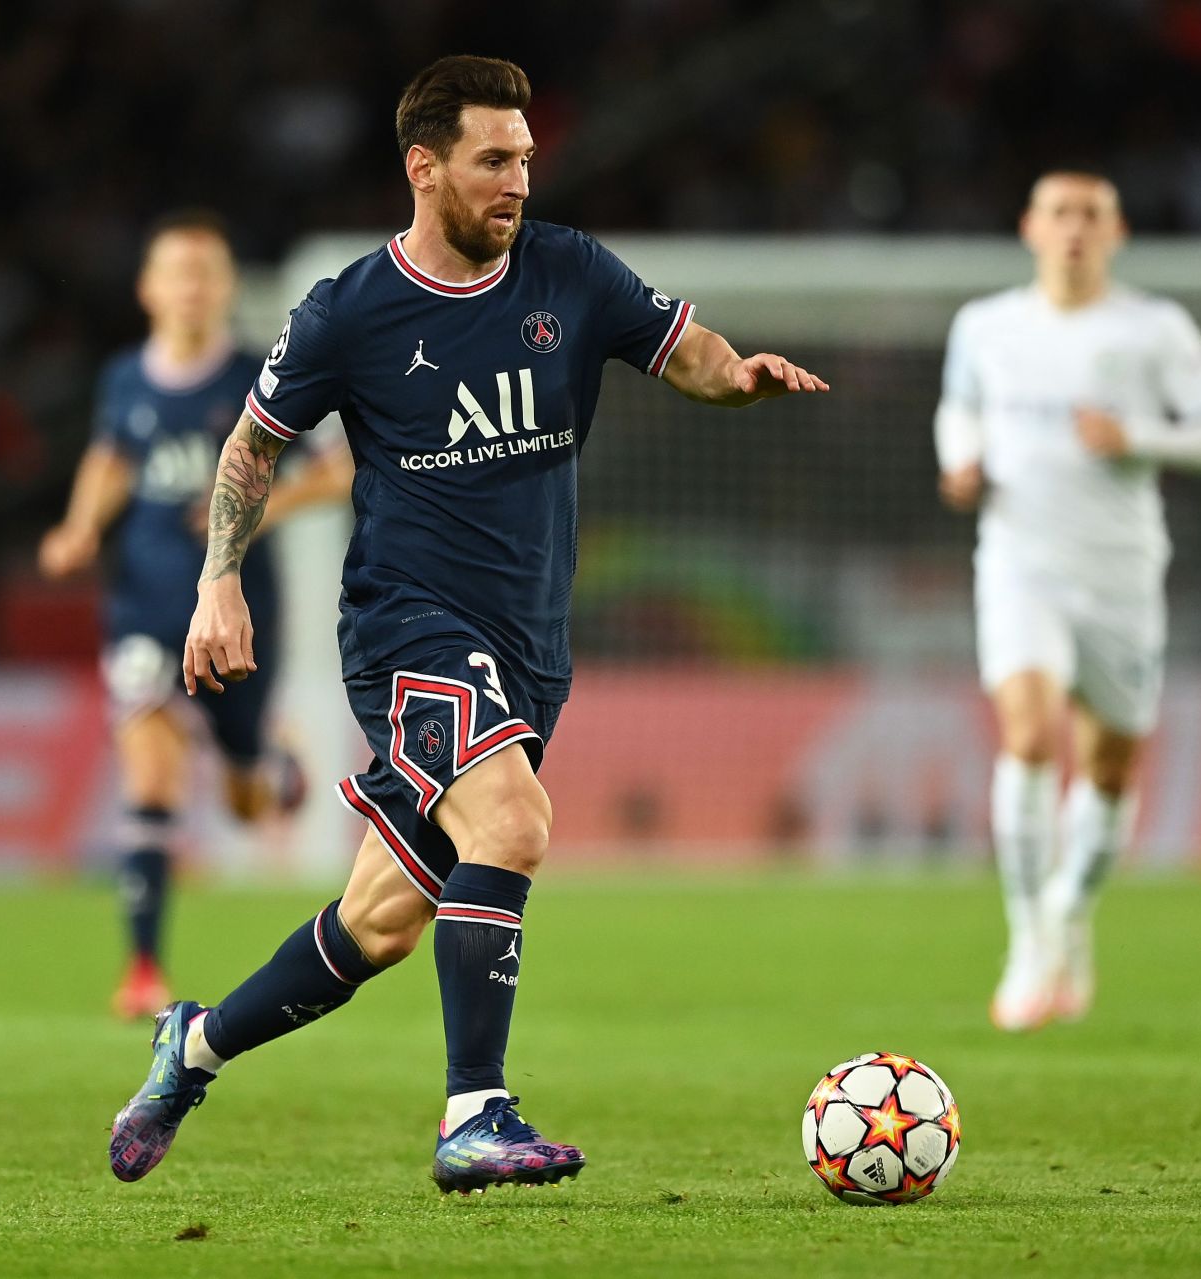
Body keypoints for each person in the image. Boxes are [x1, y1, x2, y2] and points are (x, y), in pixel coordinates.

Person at [106, 55, 828, 1193]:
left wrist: (738, 377)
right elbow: (251, 444)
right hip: (409, 632)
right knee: (514, 818)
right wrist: (217, 581)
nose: (518, 181)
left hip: (531, 648)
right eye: (495, 160)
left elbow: (681, 349)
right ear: (424, 166)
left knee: (377, 926)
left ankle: (189, 1048)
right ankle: (474, 1115)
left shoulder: (570, 272)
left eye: (527, 159)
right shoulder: (349, 308)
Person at [934, 172, 1201, 1032]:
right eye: (1060, 213)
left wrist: (1137, 436)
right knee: (1031, 736)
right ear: (1030, 226)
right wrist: (960, 460)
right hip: (1017, 564)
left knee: (1111, 766)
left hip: (1119, 573)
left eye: (1092, 215)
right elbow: (959, 410)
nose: (1075, 228)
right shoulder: (986, 326)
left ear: (1117, 233)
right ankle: (1029, 936)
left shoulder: (1153, 329)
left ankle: (1072, 912)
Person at [40, 210, 351, 1020]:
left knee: (246, 799)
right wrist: (80, 526)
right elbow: (111, 458)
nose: (192, 287)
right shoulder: (125, 380)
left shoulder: (258, 376)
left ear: (225, 291)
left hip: (242, 608)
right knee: (150, 771)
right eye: (177, 271)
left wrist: (256, 511)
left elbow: (337, 472)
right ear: (148, 289)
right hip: (145, 604)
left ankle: (271, 767)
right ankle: (142, 966)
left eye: (207, 273)